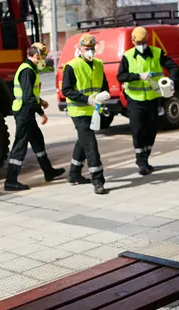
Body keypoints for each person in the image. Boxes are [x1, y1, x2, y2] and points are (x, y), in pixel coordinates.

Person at [117, 26, 179, 175]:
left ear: (147, 40)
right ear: (133, 41)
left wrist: (171, 80)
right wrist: (138, 76)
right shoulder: (128, 56)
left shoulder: (157, 53)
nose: (141, 45)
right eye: (138, 43)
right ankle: (141, 161)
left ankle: (145, 157)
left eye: (143, 42)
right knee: (138, 129)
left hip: (153, 99)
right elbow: (121, 76)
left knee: (151, 129)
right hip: (135, 99)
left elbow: (174, 67)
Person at [5, 42, 65, 191]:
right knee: (20, 145)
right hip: (24, 112)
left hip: (27, 111)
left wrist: (41, 101)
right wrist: (42, 113)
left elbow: (30, 94)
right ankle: (10, 181)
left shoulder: (30, 69)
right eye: (43, 57)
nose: (44, 60)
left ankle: (48, 171)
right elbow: (28, 97)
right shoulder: (27, 71)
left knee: (38, 141)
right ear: (37, 56)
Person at [61, 34, 110, 195]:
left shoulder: (99, 64)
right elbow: (66, 90)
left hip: (93, 110)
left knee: (83, 141)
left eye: (92, 48)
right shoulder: (72, 66)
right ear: (80, 49)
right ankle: (98, 180)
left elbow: (104, 85)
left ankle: (74, 173)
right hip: (79, 110)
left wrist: (105, 95)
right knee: (90, 144)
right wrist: (86, 99)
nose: (90, 51)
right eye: (86, 48)